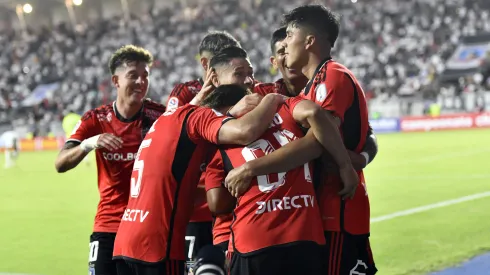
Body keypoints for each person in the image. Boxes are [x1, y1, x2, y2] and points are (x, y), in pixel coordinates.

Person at [112, 85, 286, 275]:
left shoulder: (167, 119)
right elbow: (245, 131)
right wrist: (272, 99)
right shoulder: (200, 116)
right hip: (157, 246)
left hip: (125, 240)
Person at [206, 94, 358, 275]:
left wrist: (245, 174)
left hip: (254, 239)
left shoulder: (219, 139)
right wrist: (346, 165)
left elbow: (216, 203)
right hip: (305, 235)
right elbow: (315, 121)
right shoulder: (287, 110)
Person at [281, 4, 378, 274]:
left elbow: (318, 141)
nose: (285, 44)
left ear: (310, 41)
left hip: (336, 209)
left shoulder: (331, 75)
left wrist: (253, 167)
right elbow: (368, 136)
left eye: (290, 35)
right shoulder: (314, 84)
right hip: (330, 209)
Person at [54, 45, 166, 275]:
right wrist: (89, 143)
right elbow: (61, 163)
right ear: (116, 80)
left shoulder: (160, 116)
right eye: (133, 75)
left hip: (146, 224)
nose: (140, 82)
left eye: (145, 76)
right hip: (108, 224)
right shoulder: (95, 119)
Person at [165, 32, 244, 268]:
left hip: (233, 205)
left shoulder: (243, 92)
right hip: (196, 210)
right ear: (205, 64)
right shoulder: (185, 93)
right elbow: (169, 136)